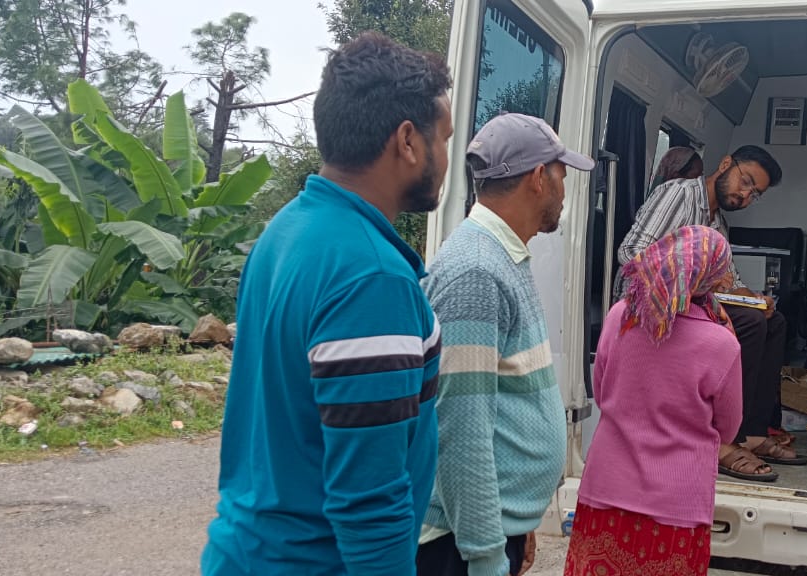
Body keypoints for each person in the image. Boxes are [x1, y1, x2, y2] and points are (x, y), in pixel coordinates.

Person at [200, 32, 452, 576]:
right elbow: (369, 504)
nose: (448, 156)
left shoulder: (287, 230)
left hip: (247, 551)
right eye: (445, 137)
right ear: (408, 142)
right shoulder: (372, 277)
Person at [419, 113, 594, 576]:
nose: (564, 188)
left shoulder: (501, 255)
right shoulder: (477, 272)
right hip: (457, 547)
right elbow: (461, 432)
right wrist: (486, 554)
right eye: (561, 174)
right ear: (539, 179)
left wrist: (519, 521)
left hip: (492, 528)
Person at [617, 144, 805, 484]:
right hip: (654, 305)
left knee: (771, 320)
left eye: (754, 193)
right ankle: (722, 441)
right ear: (725, 164)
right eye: (745, 181)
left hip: (693, 305)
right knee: (746, 323)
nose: (745, 195)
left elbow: (727, 278)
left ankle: (753, 432)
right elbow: (632, 251)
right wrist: (685, 285)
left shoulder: (718, 223)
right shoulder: (679, 194)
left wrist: (751, 296)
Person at [565, 225, 743, 576]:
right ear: (710, 276)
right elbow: (729, 428)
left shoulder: (621, 315)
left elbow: (601, 392)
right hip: (676, 506)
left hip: (605, 489)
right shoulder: (722, 344)